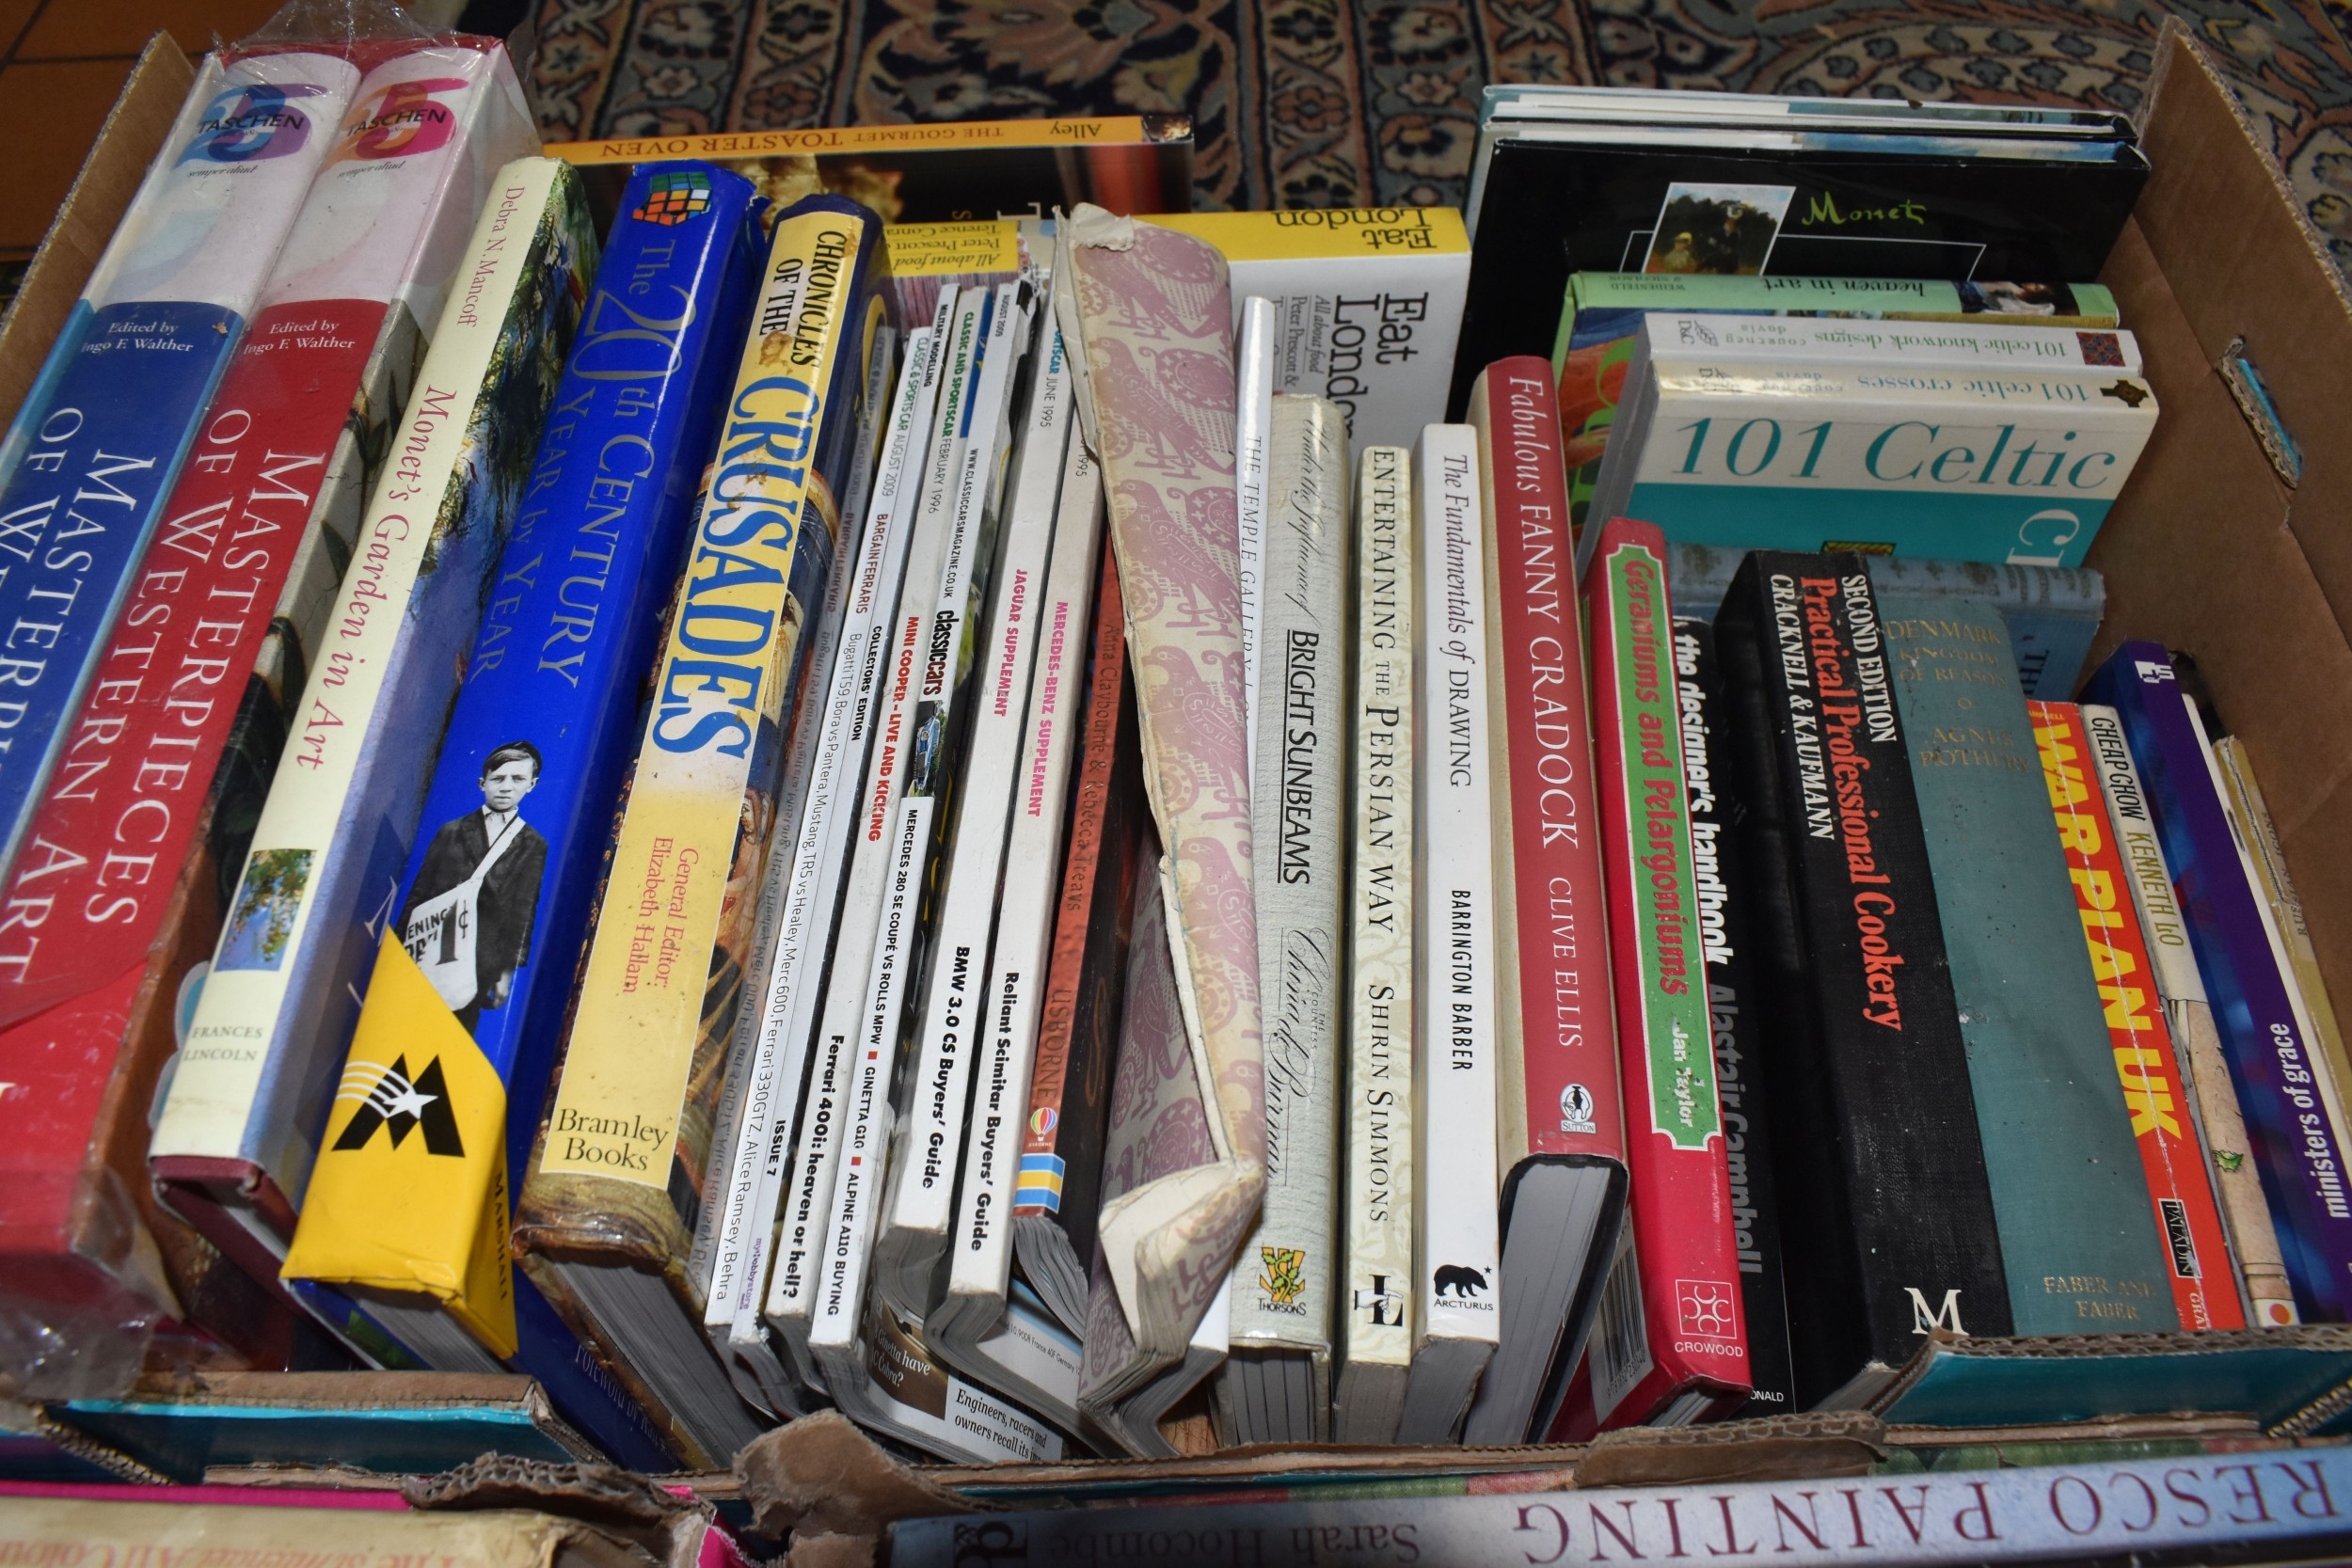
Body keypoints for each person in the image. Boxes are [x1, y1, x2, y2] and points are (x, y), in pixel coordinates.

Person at [401, 741, 549, 1036]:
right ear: (483, 784)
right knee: (409, 1025)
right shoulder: (452, 831)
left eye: (517, 779)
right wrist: (398, 947)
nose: (506, 787)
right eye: (498, 778)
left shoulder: (532, 843)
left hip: (479, 959)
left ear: (531, 785)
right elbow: (419, 892)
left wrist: (506, 972)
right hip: (429, 945)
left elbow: (523, 909)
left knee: (454, 1033)